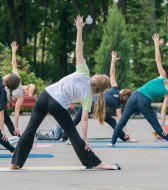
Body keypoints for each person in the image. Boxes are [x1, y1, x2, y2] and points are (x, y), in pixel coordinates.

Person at [10, 15, 119, 170]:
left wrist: (79, 29)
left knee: (30, 129)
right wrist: (85, 140)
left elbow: (78, 50)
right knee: (73, 134)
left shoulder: (84, 72)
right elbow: (84, 119)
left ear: (96, 77)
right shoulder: (89, 96)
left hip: (45, 95)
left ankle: (16, 162)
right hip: (56, 104)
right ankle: (96, 163)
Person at [108, 33, 168, 147]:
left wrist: (156, 45)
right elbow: (163, 111)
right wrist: (162, 126)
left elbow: (158, 60)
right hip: (143, 101)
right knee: (156, 127)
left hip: (135, 96)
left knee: (122, 122)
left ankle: (112, 142)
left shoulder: (163, 76)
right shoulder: (167, 94)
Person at [64, 51, 137, 144]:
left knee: (77, 119)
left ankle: (64, 136)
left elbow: (112, 74)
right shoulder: (117, 104)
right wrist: (126, 132)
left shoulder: (115, 88)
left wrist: (113, 61)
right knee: (112, 121)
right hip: (97, 106)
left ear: (122, 92)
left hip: (91, 102)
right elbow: (121, 120)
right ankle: (125, 137)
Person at [4, 41, 37, 137]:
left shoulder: (17, 79)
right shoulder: (20, 96)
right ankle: (17, 137)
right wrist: (17, 127)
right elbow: (16, 112)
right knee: (10, 125)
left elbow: (13, 65)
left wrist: (13, 51)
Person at [0, 72, 21, 153]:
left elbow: (1, 112)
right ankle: (14, 150)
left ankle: (14, 150)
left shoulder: (2, 92)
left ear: (7, 78)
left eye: (8, 75)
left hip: (0, 111)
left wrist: (2, 130)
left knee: (7, 121)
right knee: (8, 122)